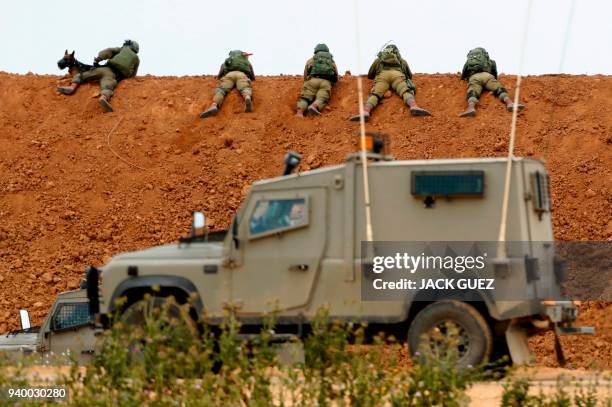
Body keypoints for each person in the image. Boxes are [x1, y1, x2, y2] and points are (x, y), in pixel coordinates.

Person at [350, 44, 430, 122]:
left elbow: (370, 74)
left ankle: (366, 111)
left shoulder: (379, 59)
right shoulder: (401, 60)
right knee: (405, 91)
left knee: (375, 94)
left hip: (383, 76)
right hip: (397, 75)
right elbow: (409, 75)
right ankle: (413, 106)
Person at [57, 40, 140, 113]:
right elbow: (133, 74)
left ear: (127, 45)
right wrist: (128, 77)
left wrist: (98, 59)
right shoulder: (136, 58)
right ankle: (104, 97)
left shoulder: (122, 49)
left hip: (104, 69)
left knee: (82, 75)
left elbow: (108, 51)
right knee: (108, 86)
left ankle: (72, 87)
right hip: (113, 75)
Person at [459, 47, 525, 117]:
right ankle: (509, 103)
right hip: (488, 76)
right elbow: (495, 73)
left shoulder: (469, 62)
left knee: (473, 92)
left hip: (474, 78)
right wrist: (493, 80)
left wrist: (466, 78)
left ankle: (471, 108)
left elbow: (463, 74)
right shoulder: (491, 62)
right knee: (499, 89)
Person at [200, 50, 255, 118]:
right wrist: (252, 78)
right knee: (244, 87)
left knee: (221, 90)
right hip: (241, 75)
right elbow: (252, 72)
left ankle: (214, 105)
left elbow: (222, 68)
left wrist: (219, 77)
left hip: (229, 75)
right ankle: (247, 97)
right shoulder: (246, 62)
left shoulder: (230, 60)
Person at [296, 44, 339, 117]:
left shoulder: (312, 60)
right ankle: (314, 106)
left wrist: (307, 82)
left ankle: (299, 113)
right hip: (326, 83)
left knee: (305, 98)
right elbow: (336, 76)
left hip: (312, 81)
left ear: (316, 51)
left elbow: (306, 74)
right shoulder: (331, 61)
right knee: (321, 98)